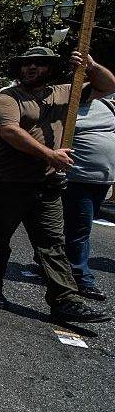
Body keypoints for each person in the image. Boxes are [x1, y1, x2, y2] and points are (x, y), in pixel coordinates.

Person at [0, 46, 113, 323]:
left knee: (52, 243)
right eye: (26, 64)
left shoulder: (67, 92)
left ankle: (64, 300)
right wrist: (50, 154)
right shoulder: (7, 98)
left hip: (47, 184)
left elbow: (107, 85)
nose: (31, 68)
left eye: (38, 64)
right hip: (8, 183)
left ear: (49, 68)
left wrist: (90, 65)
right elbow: (9, 131)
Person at [62, 92, 115, 301]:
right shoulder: (67, 107)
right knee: (81, 228)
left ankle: (50, 260)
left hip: (102, 180)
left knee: (74, 225)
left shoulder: (107, 106)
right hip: (77, 178)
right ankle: (81, 276)